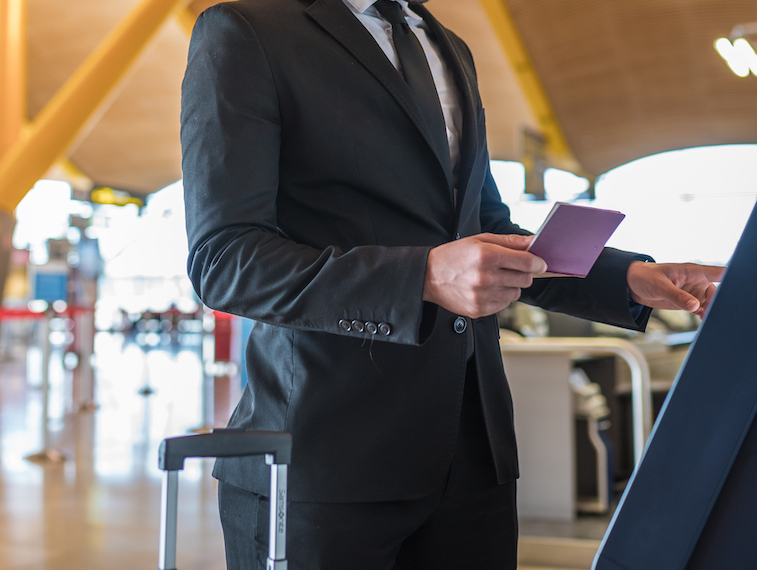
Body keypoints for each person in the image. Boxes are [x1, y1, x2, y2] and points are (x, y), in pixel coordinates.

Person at [180, 0, 724, 568]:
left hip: (473, 456)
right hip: (327, 458)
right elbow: (226, 259)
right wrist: (422, 276)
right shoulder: (248, 31)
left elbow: (486, 231)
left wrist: (628, 280)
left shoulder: (448, 47)